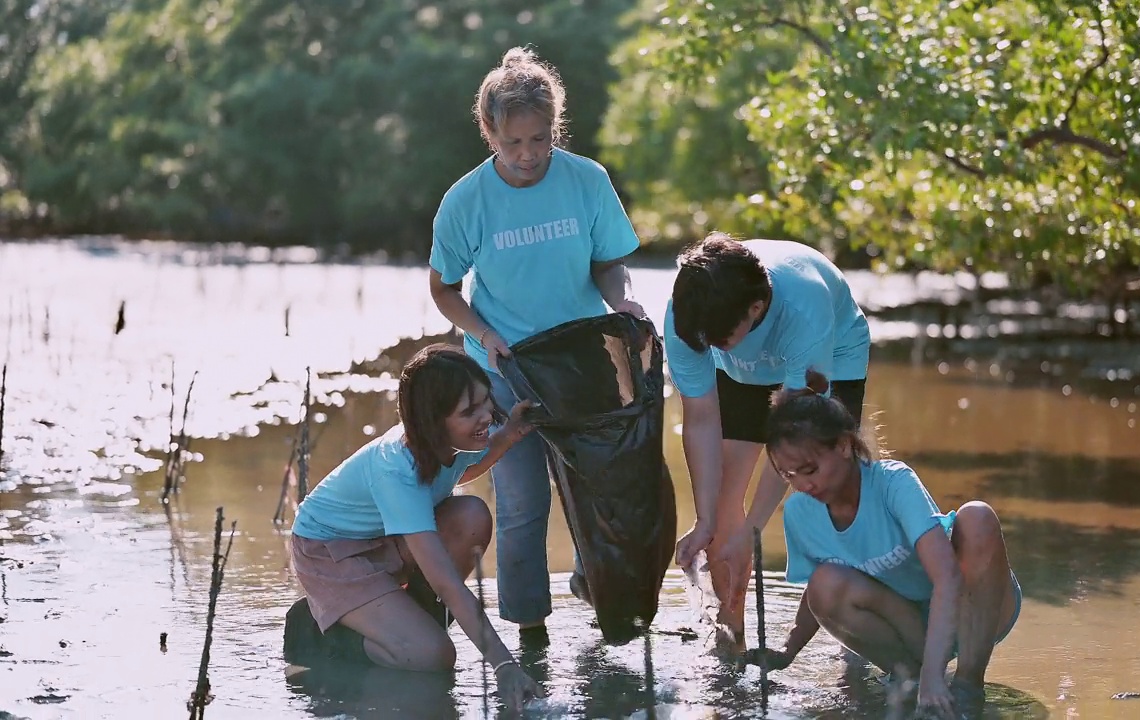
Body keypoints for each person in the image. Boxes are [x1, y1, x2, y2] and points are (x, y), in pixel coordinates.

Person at [428, 46, 646, 642]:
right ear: (489, 131)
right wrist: (486, 336)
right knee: (522, 503)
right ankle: (530, 635)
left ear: (555, 129)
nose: (528, 156)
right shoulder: (466, 201)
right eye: (513, 143)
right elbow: (444, 291)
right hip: (507, 367)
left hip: (582, 361)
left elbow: (609, 266)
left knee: (601, 488)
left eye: (540, 140)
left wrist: (622, 300)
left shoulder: (587, 181)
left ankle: (599, 589)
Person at [284, 343, 546, 715]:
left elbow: (461, 471)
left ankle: (403, 620)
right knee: (433, 655)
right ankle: (320, 629)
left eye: (486, 401)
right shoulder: (397, 469)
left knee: (471, 514)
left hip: (382, 538)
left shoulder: (447, 443)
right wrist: (505, 666)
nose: (488, 415)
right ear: (431, 422)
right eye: (469, 411)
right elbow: (447, 585)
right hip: (330, 552)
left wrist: (510, 434)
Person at [743, 376, 1022, 720]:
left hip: (971, 607)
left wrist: (939, 678)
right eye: (789, 476)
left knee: (977, 516)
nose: (803, 484)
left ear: (844, 446)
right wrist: (786, 651)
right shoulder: (801, 512)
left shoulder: (894, 483)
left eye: (810, 470)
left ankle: (966, 687)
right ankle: (910, 677)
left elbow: (948, 576)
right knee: (825, 582)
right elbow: (817, 593)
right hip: (907, 624)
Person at [665, 232, 871, 648]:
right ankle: (730, 631)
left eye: (717, 337)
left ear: (756, 309)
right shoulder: (690, 317)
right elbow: (701, 418)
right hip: (741, 367)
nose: (707, 344)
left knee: (838, 490)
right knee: (723, 502)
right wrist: (705, 521)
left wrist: (753, 530)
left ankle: (860, 634)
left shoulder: (804, 310)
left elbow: (794, 440)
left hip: (832, 354)